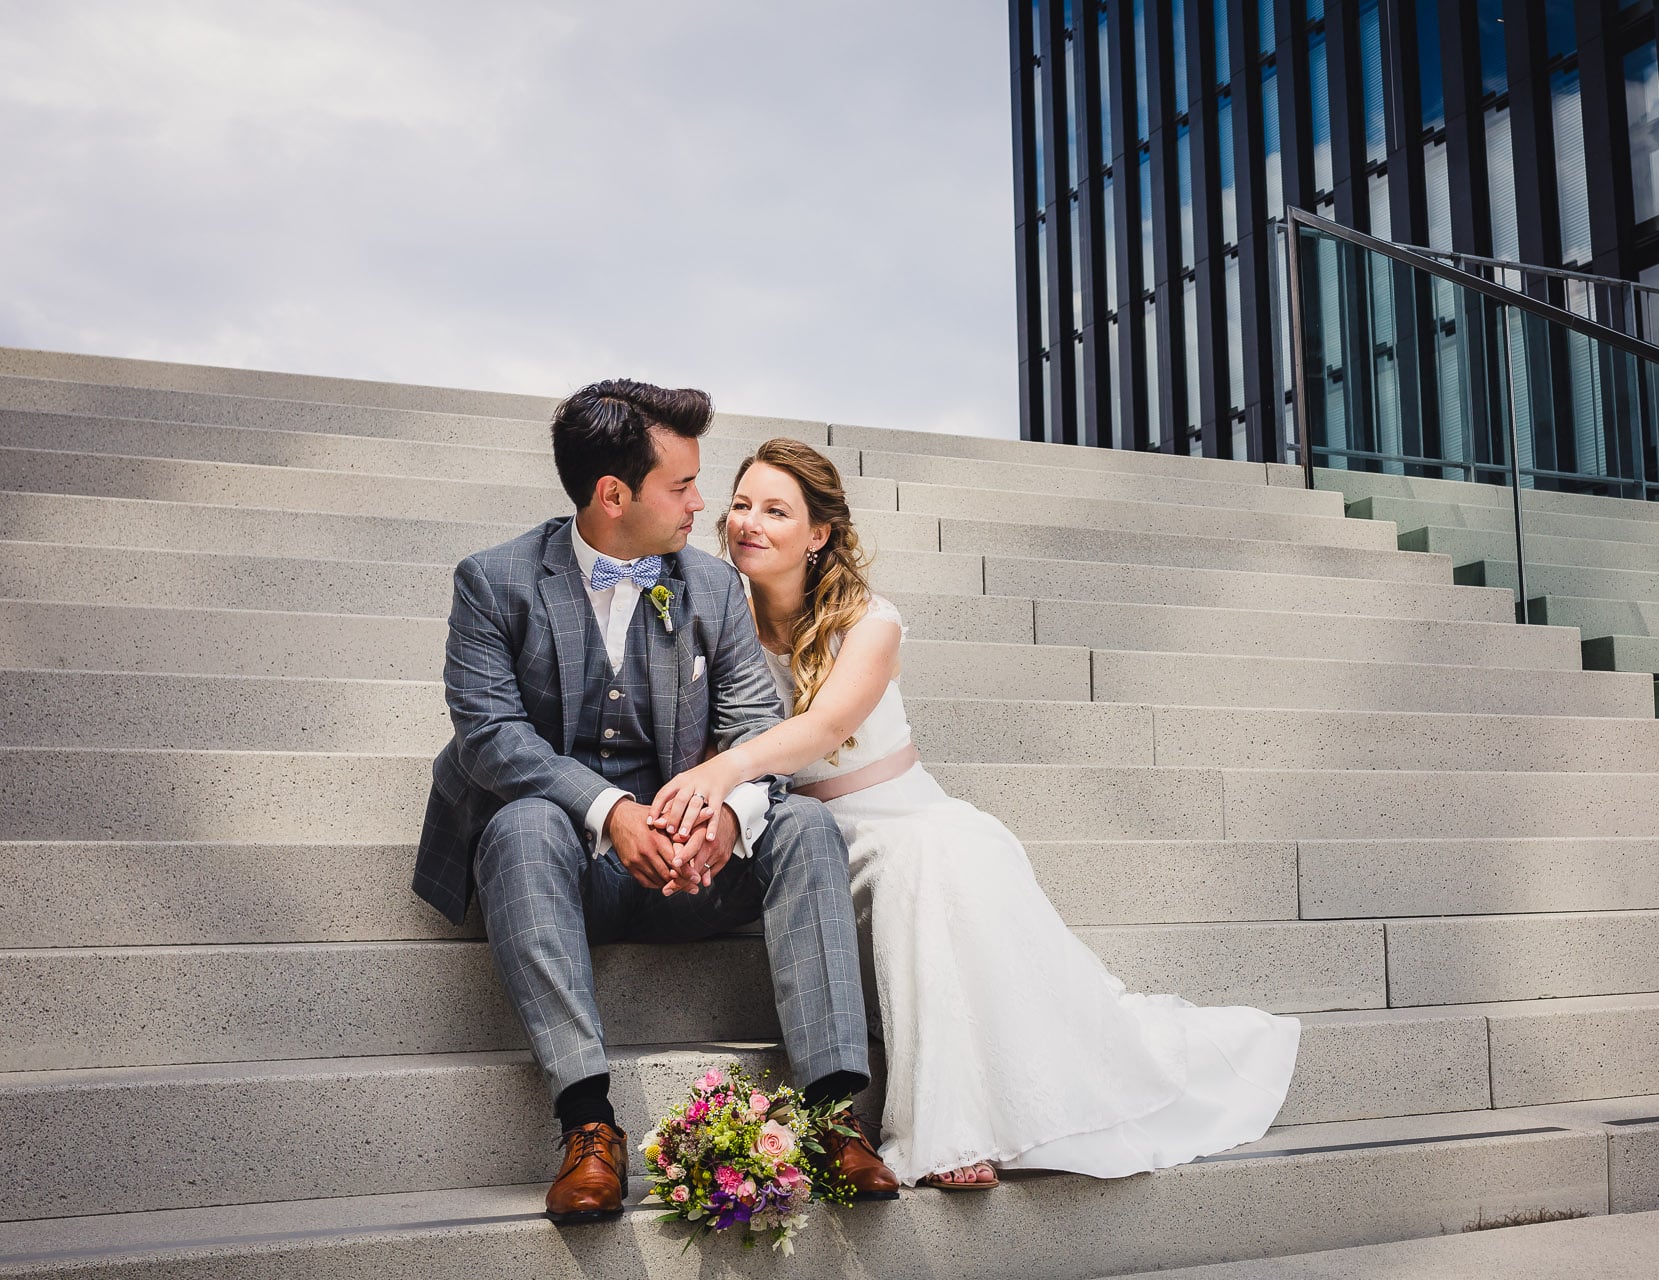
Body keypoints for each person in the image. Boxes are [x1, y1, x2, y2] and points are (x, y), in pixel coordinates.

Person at [647, 438, 1303, 1191]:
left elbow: (825, 730)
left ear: (819, 534)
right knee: (921, 857)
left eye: (775, 510)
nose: (747, 524)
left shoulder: (870, 622)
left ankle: (951, 1130)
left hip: (896, 812)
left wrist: (723, 767)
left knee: (946, 851)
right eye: (739, 505)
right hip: (802, 830)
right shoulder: (715, 621)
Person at [412, 384, 901, 1225]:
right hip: (572, 870)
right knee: (522, 822)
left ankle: (829, 1116)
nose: (702, 504)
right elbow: (490, 735)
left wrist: (725, 819)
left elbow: (755, 723)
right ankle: (588, 1126)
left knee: (806, 824)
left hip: (695, 868)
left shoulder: (710, 587)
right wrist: (609, 812)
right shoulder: (495, 582)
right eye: (682, 486)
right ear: (613, 494)